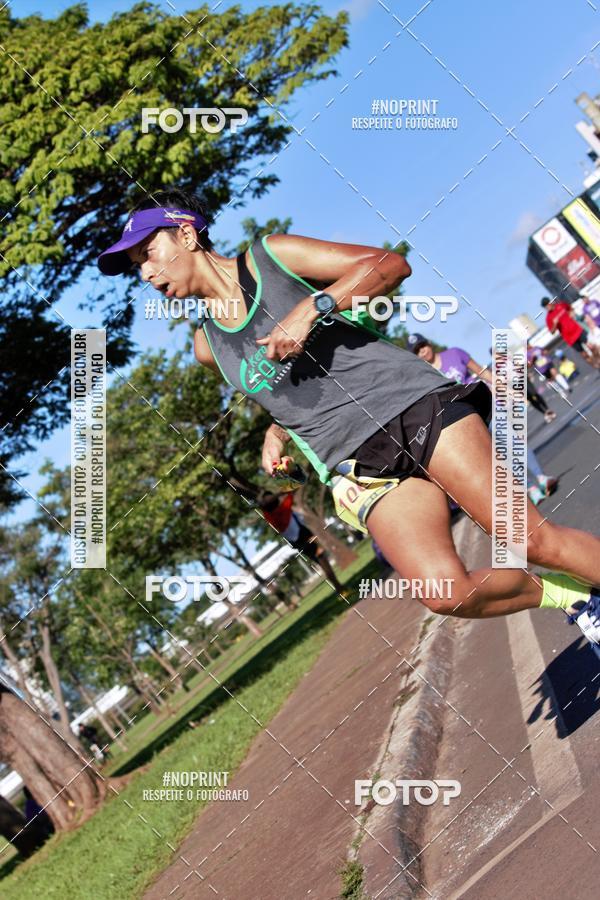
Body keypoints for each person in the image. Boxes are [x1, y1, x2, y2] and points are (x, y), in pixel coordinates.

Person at [97, 189, 600, 656]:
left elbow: (388, 265)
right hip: (362, 463)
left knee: (529, 539)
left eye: (148, 254)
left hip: (414, 407)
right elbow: (284, 393)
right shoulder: (208, 348)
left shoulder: (271, 256)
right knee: (444, 592)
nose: (145, 273)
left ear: (186, 234)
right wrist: (277, 433)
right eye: (137, 265)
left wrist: (311, 308)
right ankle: (568, 596)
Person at [259, 489, 345, 593]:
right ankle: (339, 588)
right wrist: (280, 492)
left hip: (301, 538)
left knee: (322, 560)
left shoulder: (273, 513)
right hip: (301, 538)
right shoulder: (276, 512)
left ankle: (339, 587)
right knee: (321, 558)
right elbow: (283, 496)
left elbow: (287, 495)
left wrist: (281, 492)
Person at [406, 334, 492, 386]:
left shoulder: (455, 353)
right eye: (417, 350)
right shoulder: (425, 376)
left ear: (429, 343)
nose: (422, 351)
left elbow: (481, 372)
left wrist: (501, 386)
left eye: (422, 345)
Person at [541, 296, 598, 366]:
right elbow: (552, 332)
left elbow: (570, 308)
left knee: (592, 346)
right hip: (570, 339)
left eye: (547, 305)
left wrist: (572, 312)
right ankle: (596, 366)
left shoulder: (561, 305)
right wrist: (555, 324)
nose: (547, 307)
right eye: (545, 306)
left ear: (550, 302)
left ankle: (598, 361)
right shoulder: (548, 318)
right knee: (584, 355)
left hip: (578, 330)